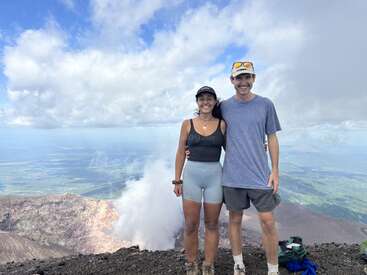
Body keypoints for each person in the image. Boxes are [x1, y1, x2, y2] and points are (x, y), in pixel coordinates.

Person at [221, 61, 281, 275]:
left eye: (247, 77)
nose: (243, 82)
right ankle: (238, 265)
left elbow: (272, 138)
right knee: (234, 220)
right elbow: (210, 129)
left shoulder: (266, 104)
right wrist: (193, 149)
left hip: (260, 175)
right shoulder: (224, 107)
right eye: (239, 78)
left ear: (253, 79)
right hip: (232, 176)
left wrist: (274, 171)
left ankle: (272, 270)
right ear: (232, 81)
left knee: (268, 221)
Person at [173, 86, 226, 275]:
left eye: (209, 99)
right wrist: (177, 180)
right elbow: (180, 151)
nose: (206, 102)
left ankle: (208, 264)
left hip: (215, 177)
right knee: (191, 224)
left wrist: (257, 148)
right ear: (197, 102)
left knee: (212, 224)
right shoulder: (187, 124)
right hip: (191, 176)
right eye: (202, 99)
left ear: (214, 102)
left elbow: (233, 150)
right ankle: (191, 263)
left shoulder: (222, 124)